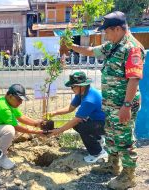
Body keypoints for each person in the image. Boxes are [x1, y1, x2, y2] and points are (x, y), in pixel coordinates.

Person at [66, 11, 145, 189]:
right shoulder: (114, 45)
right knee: (111, 135)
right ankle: (113, 164)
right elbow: (90, 51)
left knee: (124, 139)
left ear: (117, 29)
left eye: (106, 31)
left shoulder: (132, 48)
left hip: (123, 104)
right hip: (111, 104)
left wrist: (126, 105)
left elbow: (134, 79)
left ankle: (128, 176)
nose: (104, 34)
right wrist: (71, 46)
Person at [0, 84, 44, 170]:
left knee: (11, 130)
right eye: (19, 99)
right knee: (10, 130)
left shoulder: (8, 103)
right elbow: (16, 127)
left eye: (21, 100)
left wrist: (36, 123)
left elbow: (21, 117)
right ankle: (0, 157)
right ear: (10, 96)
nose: (20, 102)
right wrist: (37, 132)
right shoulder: (3, 107)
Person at [48, 71, 107, 163]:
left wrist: (59, 130)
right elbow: (70, 108)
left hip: (106, 124)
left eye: (73, 86)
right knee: (77, 125)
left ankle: (98, 153)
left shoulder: (89, 99)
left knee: (83, 128)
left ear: (82, 86)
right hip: (96, 120)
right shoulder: (82, 93)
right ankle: (98, 140)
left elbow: (76, 119)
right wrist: (54, 113)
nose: (71, 89)